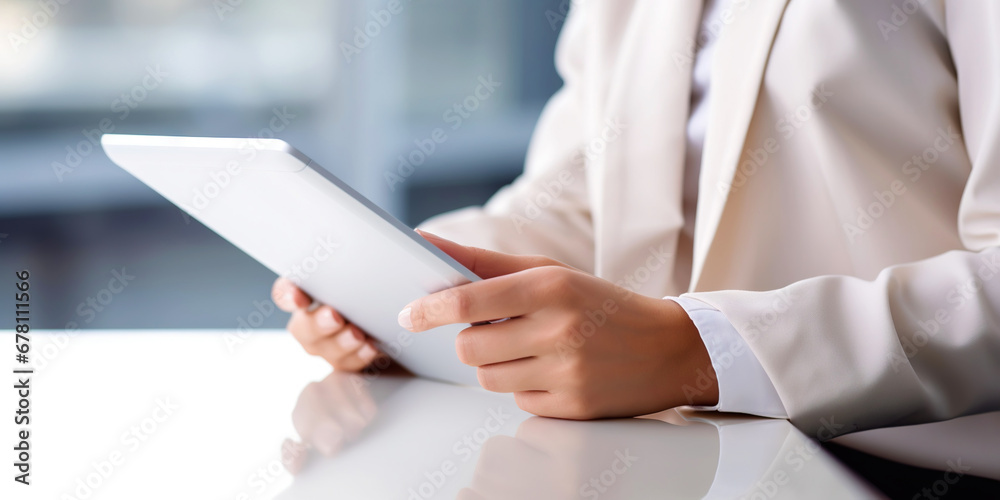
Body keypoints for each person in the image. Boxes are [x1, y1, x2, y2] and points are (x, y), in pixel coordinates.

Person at [272, 0, 1000, 437]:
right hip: (679, 453)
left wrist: (700, 352)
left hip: (899, 463)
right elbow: (582, 202)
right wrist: (411, 292)